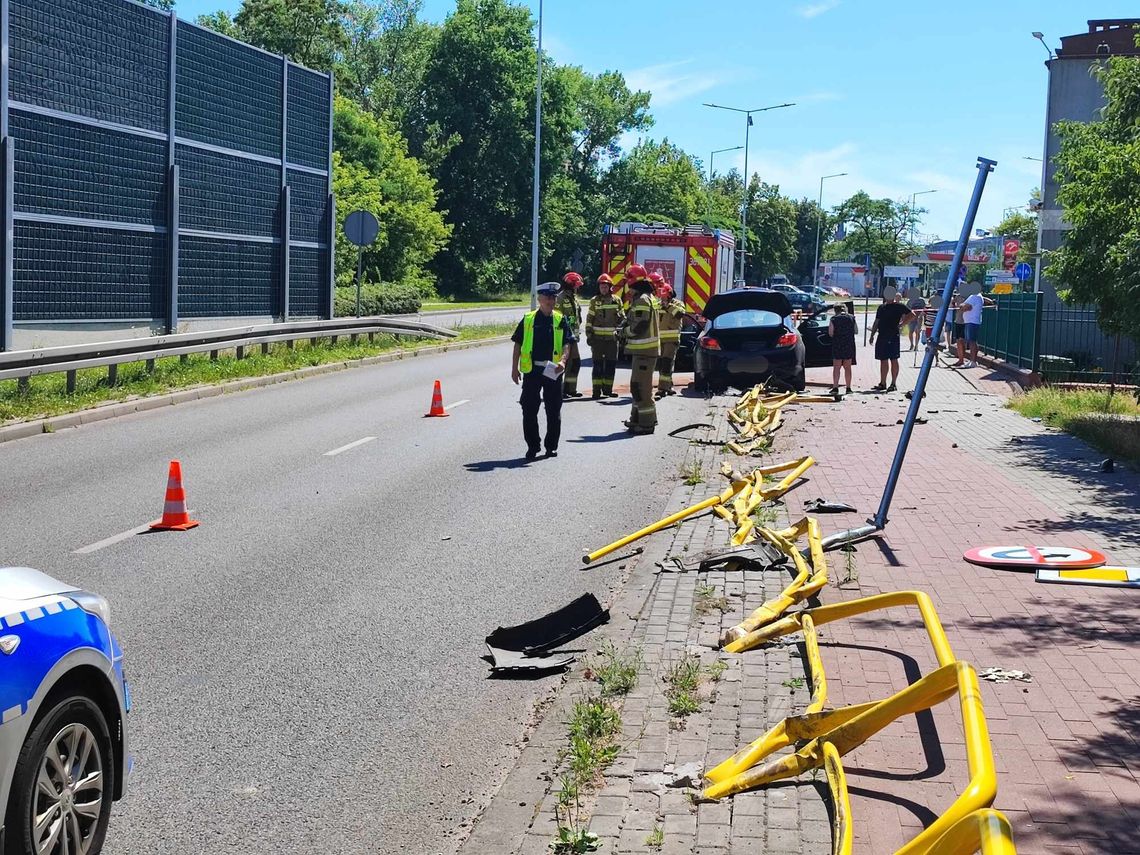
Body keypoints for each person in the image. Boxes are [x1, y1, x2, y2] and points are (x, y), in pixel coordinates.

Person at [511, 283, 575, 460]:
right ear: (539, 299)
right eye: (547, 297)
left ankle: (551, 446)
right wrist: (514, 369)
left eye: (553, 297)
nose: (551, 301)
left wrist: (563, 360)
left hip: (552, 370)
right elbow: (517, 343)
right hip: (532, 370)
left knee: (553, 410)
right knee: (529, 409)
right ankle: (533, 446)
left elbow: (566, 343)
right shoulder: (529, 319)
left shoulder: (560, 319)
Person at [622, 266, 660, 434]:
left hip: (646, 351)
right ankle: (636, 419)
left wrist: (623, 333)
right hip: (643, 351)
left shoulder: (643, 300)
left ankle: (646, 424)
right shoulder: (645, 298)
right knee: (636, 386)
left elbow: (640, 325)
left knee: (642, 388)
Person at [585, 274, 624, 399]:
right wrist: (589, 334)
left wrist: (620, 326)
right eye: (601, 287)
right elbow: (589, 318)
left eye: (605, 286)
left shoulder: (617, 300)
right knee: (597, 365)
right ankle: (596, 391)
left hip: (612, 340)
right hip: (597, 340)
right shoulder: (594, 300)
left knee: (611, 365)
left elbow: (622, 318)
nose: (603, 289)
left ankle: (608, 390)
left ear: (610, 287)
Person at [868, 289, 915, 392]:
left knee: (894, 359)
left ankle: (893, 383)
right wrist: (872, 335)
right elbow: (877, 322)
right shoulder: (882, 307)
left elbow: (912, 315)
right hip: (882, 335)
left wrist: (902, 324)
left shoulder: (899, 306)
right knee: (883, 359)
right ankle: (883, 382)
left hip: (893, 335)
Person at [653, 278, 687, 398]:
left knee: (666, 363)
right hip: (659, 340)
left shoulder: (678, 304)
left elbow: (680, 314)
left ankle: (662, 389)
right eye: (660, 296)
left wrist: (668, 306)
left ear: (669, 294)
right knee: (662, 363)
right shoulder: (658, 305)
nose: (662, 299)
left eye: (664, 296)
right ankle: (669, 386)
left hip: (671, 340)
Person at [555, 272, 585, 399]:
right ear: (570, 285)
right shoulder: (560, 298)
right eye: (576, 285)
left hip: (573, 337)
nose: (577, 288)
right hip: (563, 337)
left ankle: (570, 389)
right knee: (564, 363)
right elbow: (556, 318)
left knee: (575, 362)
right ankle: (559, 389)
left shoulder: (573, 298)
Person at [958, 286, 996, 368]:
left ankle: (973, 361)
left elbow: (967, 307)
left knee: (972, 341)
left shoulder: (975, 296)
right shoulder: (977, 296)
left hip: (972, 321)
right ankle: (972, 360)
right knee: (971, 341)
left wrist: (961, 305)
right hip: (970, 321)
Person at [828, 303, 857, 395]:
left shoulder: (834, 319)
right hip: (848, 344)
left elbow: (831, 333)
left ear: (836, 310)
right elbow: (856, 331)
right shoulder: (852, 318)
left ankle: (835, 387)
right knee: (847, 368)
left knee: (837, 368)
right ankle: (848, 388)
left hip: (838, 345)